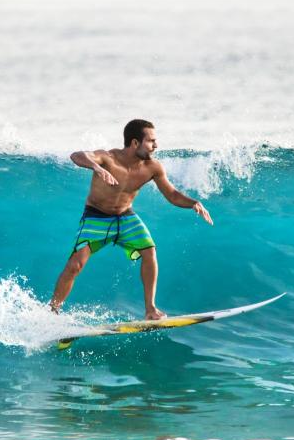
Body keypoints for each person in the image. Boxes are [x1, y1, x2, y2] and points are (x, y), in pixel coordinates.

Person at [50, 119, 214, 320]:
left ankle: (150, 309)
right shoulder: (108, 158)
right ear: (135, 143)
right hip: (96, 216)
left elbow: (172, 194)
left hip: (125, 217)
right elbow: (77, 155)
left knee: (149, 251)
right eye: (151, 141)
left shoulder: (152, 167)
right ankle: (53, 312)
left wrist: (193, 203)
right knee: (75, 264)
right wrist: (97, 168)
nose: (156, 146)